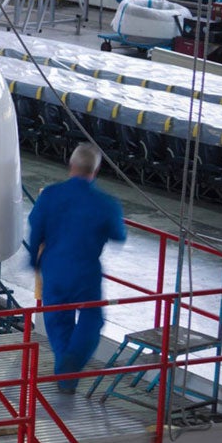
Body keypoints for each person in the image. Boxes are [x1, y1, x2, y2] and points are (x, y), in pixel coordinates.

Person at [26, 141, 128, 395]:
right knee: (92, 319)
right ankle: (72, 362)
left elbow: (35, 227)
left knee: (58, 319)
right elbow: (119, 235)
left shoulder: (50, 195)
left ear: (71, 165)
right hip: (86, 271)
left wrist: (33, 261)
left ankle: (66, 371)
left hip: (54, 269)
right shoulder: (106, 203)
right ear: (95, 171)